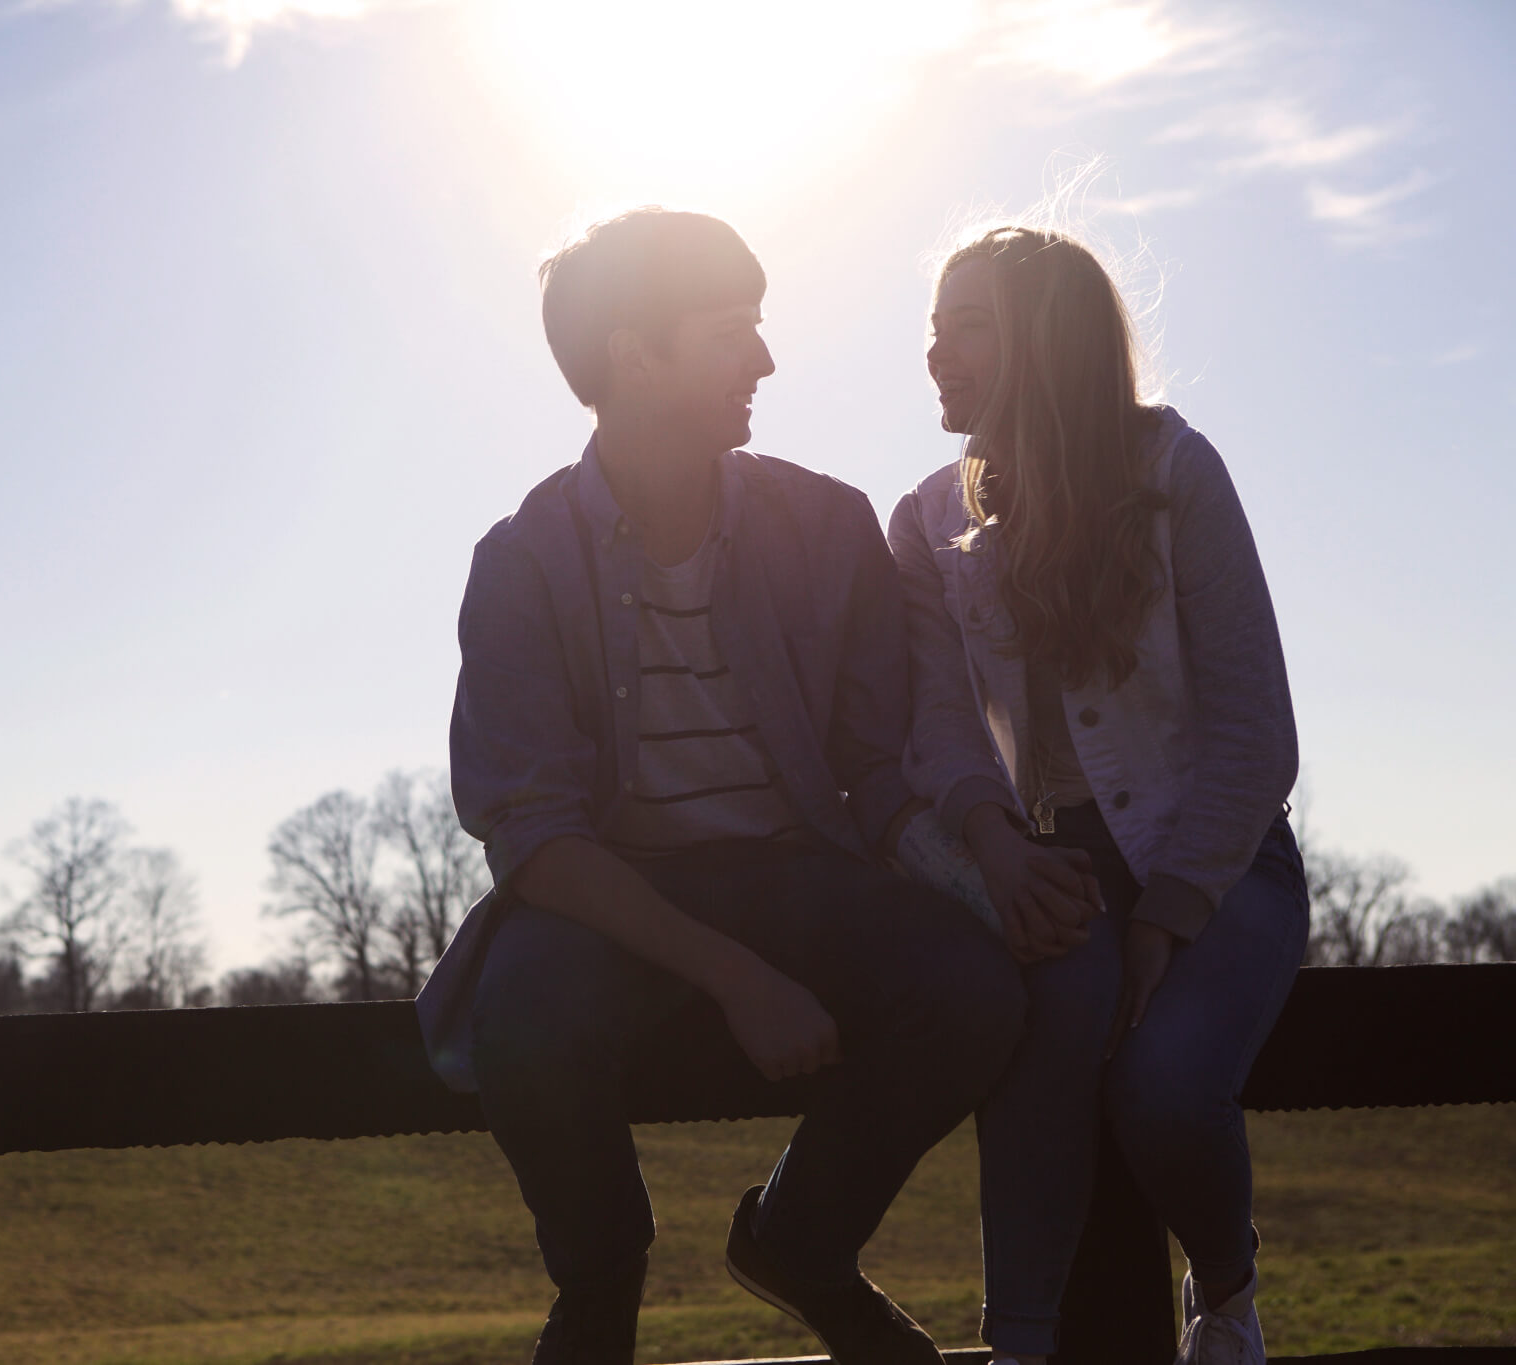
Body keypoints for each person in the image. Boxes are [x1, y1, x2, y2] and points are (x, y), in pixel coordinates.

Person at [416, 207, 1026, 1365]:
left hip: (798, 874)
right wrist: (735, 978)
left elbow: (875, 762)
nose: (765, 357)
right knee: (524, 1025)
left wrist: (994, 870)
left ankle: (799, 1238)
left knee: (976, 988)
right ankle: (598, 1289)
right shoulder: (520, 562)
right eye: (730, 330)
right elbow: (533, 837)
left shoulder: (827, 525)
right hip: (610, 890)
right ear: (631, 356)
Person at [891, 225, 1310, 1365]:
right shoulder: (926, 519)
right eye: (930, 330)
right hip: (1041, 866)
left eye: (963, 328)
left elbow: (1253, 729)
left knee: (1164, 1090)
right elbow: (933, 731)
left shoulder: (1173, 475)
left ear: (1045, 340)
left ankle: (1223, 1296)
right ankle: (1023, 1345)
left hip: (1217, 864)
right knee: (1045, 1048)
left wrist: (1169, 911)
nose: (934, 355)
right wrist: (995, 848)